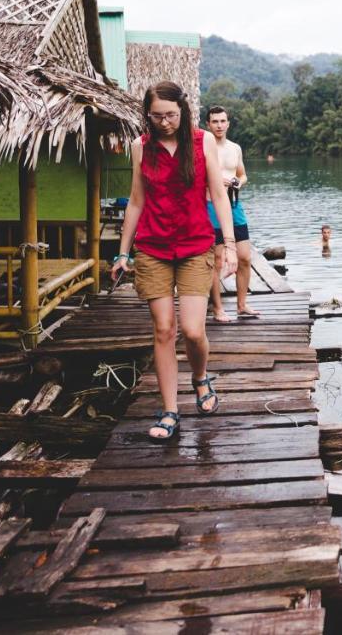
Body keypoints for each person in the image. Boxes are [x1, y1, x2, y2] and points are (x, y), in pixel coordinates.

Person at [111, 82, 237, 441]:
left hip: (196, 245)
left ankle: (200, 378)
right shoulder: (140, 146)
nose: (164, 122)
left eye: (170, 115)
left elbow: (218, 193)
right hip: (153, 248)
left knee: (194, 330)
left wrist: (228, 243)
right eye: (156, 116)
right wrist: (123, 252)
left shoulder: (202, 142)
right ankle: (169, 410)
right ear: (147, 115)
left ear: (183, 111)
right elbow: (136, 201)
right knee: (164, 329)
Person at [203, 106, 259, 320]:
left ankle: (242, 305)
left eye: (222, 121)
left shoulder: (235, 148)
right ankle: (217, 308)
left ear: (228, 123)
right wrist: (216, 181)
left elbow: (243, 175)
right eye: (215, 121)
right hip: (211, 205)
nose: (219, 125)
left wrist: (238, 182)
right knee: (217, 260)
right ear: (208, 124)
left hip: (234, 205)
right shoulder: (205, 148)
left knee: (244, 257)